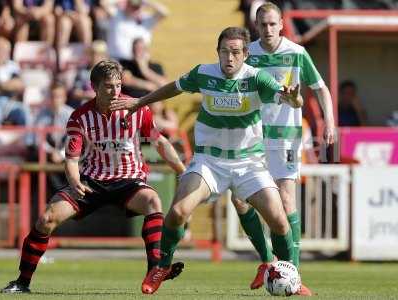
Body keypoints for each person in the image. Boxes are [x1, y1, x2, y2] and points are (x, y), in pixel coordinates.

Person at [109, 26, 309, 295]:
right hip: (209, 162)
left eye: (236, 52)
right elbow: (173, 88)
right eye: (225, 51)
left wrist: (295, 98)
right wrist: (139, 102)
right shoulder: (203, 73)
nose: (229, 58)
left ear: (245, 54)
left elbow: (289, 98)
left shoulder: (257, 79)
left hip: (248, 163)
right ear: (218, 52)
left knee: (279, 221)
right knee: (178, 212)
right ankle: (163, 266)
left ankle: (291, 278)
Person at [0, 60, 186, 294]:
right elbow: (71, 158)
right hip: (92, 181)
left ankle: (155, 270)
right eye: (108, 86)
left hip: (129, 180)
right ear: (94, 87)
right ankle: (22, 282)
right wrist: (75, 182)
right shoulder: (80, 116)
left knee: (153, 201)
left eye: (118, 85)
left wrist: (182, 171)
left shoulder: (137, 109)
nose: (115, 91)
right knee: (46, 219)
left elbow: (160, 142)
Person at [231, 2, 335, 291]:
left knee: (287, 201)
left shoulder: (296, 53)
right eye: (262, 24)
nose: (267, 29)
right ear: (256, 25)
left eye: (272, 24)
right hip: (251, 137)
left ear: (281, 24)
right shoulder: (247, 54)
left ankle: (295, 276)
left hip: (286, 138)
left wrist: (330, 122)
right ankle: (266, 260)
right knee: (239, 199)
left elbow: (321, 88)